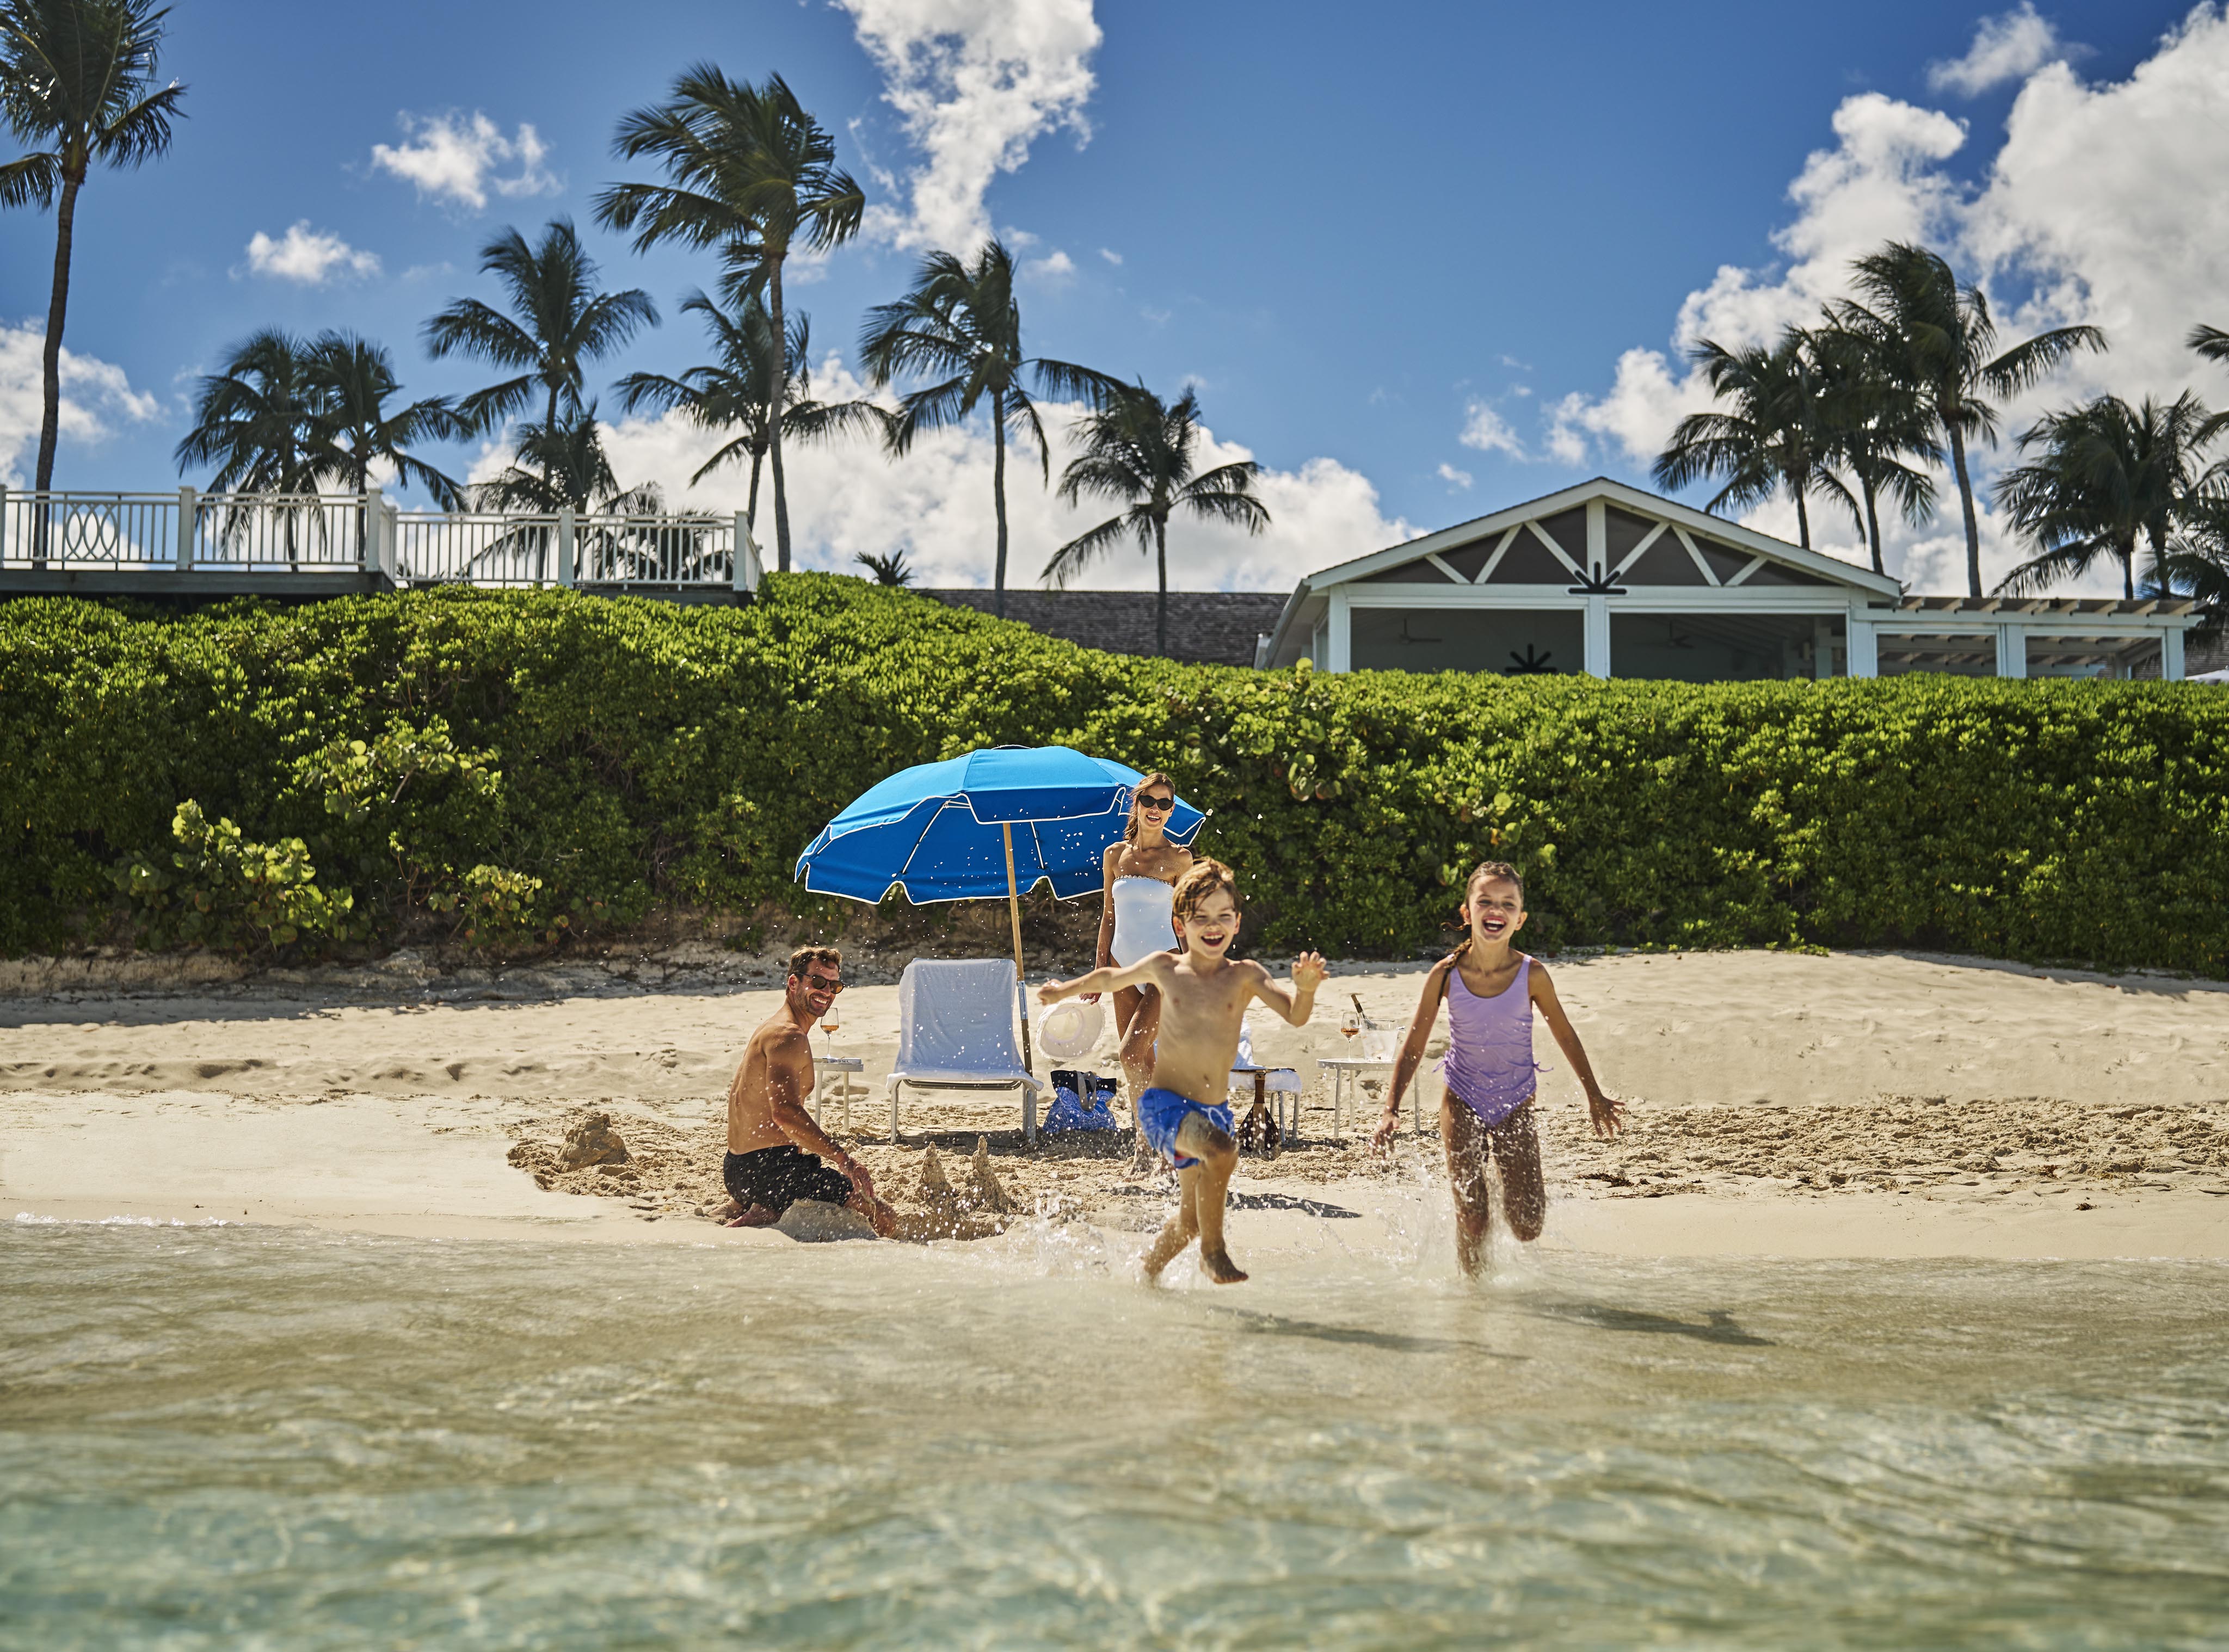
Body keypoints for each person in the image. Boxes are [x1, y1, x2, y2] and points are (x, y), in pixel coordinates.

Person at [1041, 860, 1325, 1284]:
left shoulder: (1245, 976)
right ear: (1180, 924)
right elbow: (1111, 976)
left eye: (1223, 916)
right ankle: (1214, 1253)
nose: (1213, 926)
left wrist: (1305, 991)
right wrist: (1063, 990)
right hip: (1165, 1108)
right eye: (1201, 917)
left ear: (1237, 922)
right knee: (1224, 1151)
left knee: (1189, 1222)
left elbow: (1296, 1017)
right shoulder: (1167, 969)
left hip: (1213, 1113)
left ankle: (1143, 1278)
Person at [1372, 861, 1623, 1275]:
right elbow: (1414, 1044)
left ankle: (1493, 1185)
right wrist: (1390, 1110)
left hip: (1515, 1102)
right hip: (1462, 1099)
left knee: (1527, 1226)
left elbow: (1565, 1033)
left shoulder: (1532, 974)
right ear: (1467, 913)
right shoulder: (1446, 974)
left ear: (1520, 919)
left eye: (1508, 904)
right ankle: (1474, 1296)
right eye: (1485, 901)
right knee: (1473, 1218)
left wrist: (1593, 1094)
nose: (1496, 909)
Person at [719, 945, 897, 1235]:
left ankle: (763, 1209)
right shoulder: (788, 1035)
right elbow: (785, 1113)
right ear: (793, 983)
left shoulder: (774, 1028)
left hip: (740, 1170)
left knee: (800, 1183)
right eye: (818, 982)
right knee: (883, 1217)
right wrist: (844, 1160)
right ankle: (767, 1206)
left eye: (834, 985)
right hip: (769, 1172)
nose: (826, 992)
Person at [1088, 772, 1194, 1169]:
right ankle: (1146, 1149)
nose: (1156, 809)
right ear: (1137, 803)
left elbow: (1189, 921)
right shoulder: (1115, 855)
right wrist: (1100, 968)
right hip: (1120, 966)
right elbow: (1109, 916)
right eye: (1150, 800)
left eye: (1165, 803)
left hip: (1165, 968)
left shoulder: (1180, 858)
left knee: (1131, 1051)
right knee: (1139, 1063)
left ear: (1171, 811)